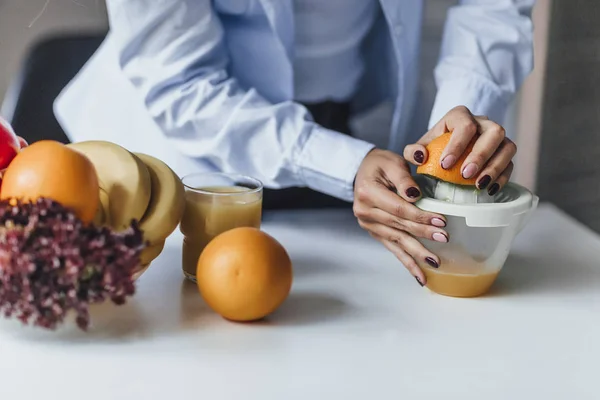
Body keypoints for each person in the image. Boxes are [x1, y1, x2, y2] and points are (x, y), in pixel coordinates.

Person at [53, 0, 535, 284]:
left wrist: (462, 117)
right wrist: (343, 165)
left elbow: (490, 8)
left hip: (352, 127)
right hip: (184, 156)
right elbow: (180, 81)